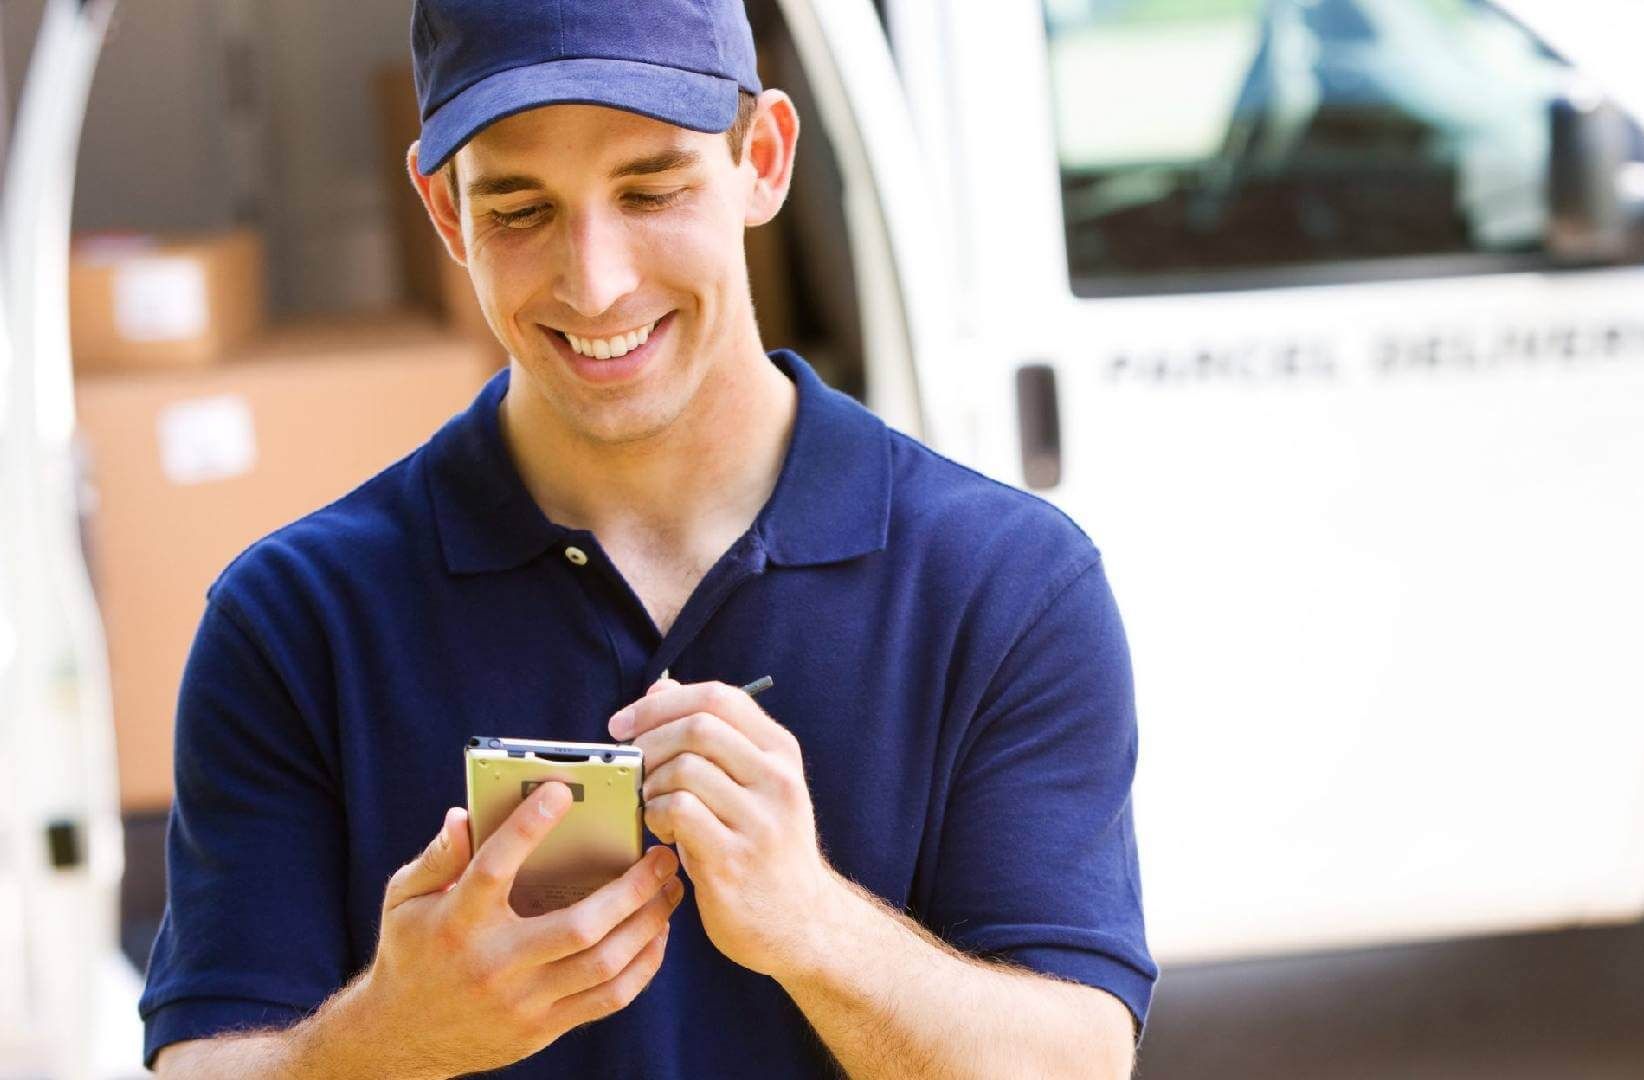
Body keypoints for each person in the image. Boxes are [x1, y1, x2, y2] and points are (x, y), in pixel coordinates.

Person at [136, 1, 1156, 1075]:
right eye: (522, 210)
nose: (597, 281)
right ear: (444, 212)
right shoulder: (296, 620)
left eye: (651, 189)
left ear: (761, 158)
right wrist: (390, 1035)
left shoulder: (1006, 587)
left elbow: (1075, 1061)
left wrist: (814, 927)